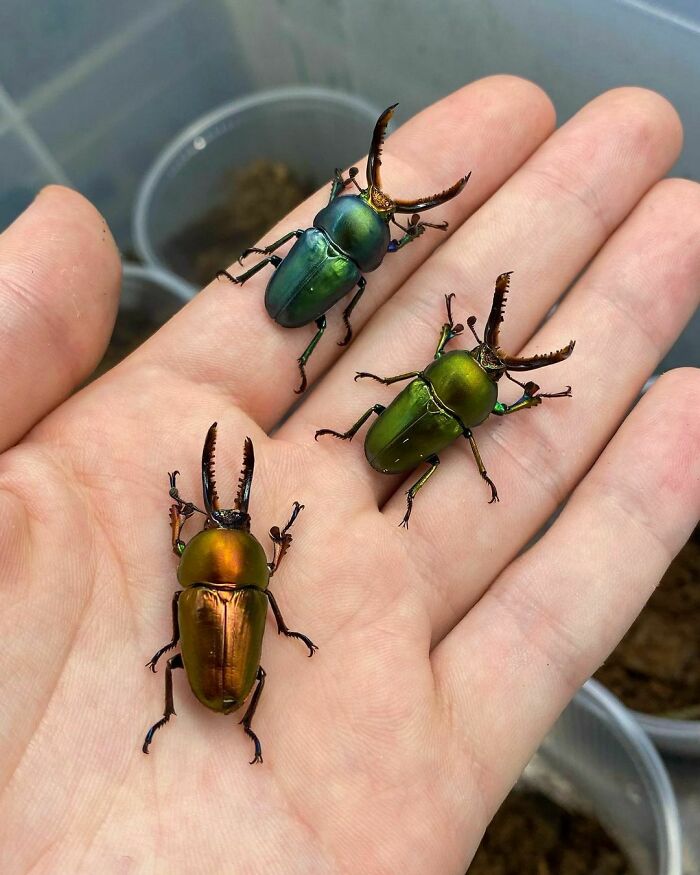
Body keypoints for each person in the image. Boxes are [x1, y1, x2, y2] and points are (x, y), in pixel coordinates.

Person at [0, 76, 697, 874]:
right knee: (229, 653)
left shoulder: (197, 582)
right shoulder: (244, 579)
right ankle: (238, 708)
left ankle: (213, 705)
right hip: (362, 449)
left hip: (373, 407)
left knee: (182, 660)